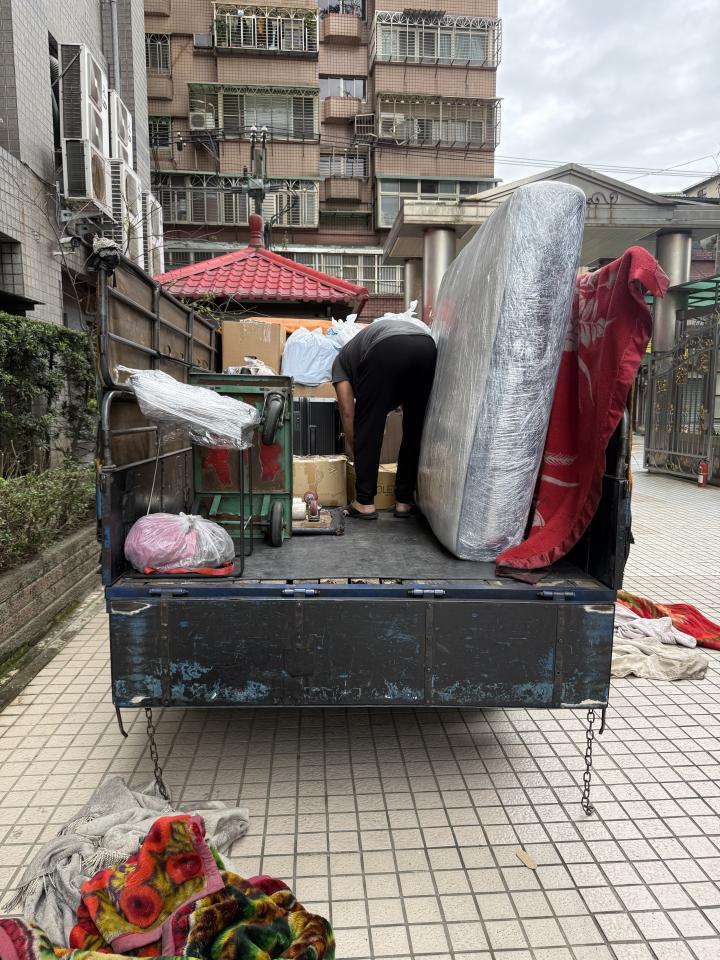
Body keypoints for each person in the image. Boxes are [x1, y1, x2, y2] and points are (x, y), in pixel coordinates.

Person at [332, 315, 437, 518]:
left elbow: (347, 413)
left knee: (367, 426)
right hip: (426, 346)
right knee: (414, 428)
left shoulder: (340, 363)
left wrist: (357, 449)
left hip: (387, 347)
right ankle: (403, 501)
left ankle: (364, 502)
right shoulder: (360, 350)